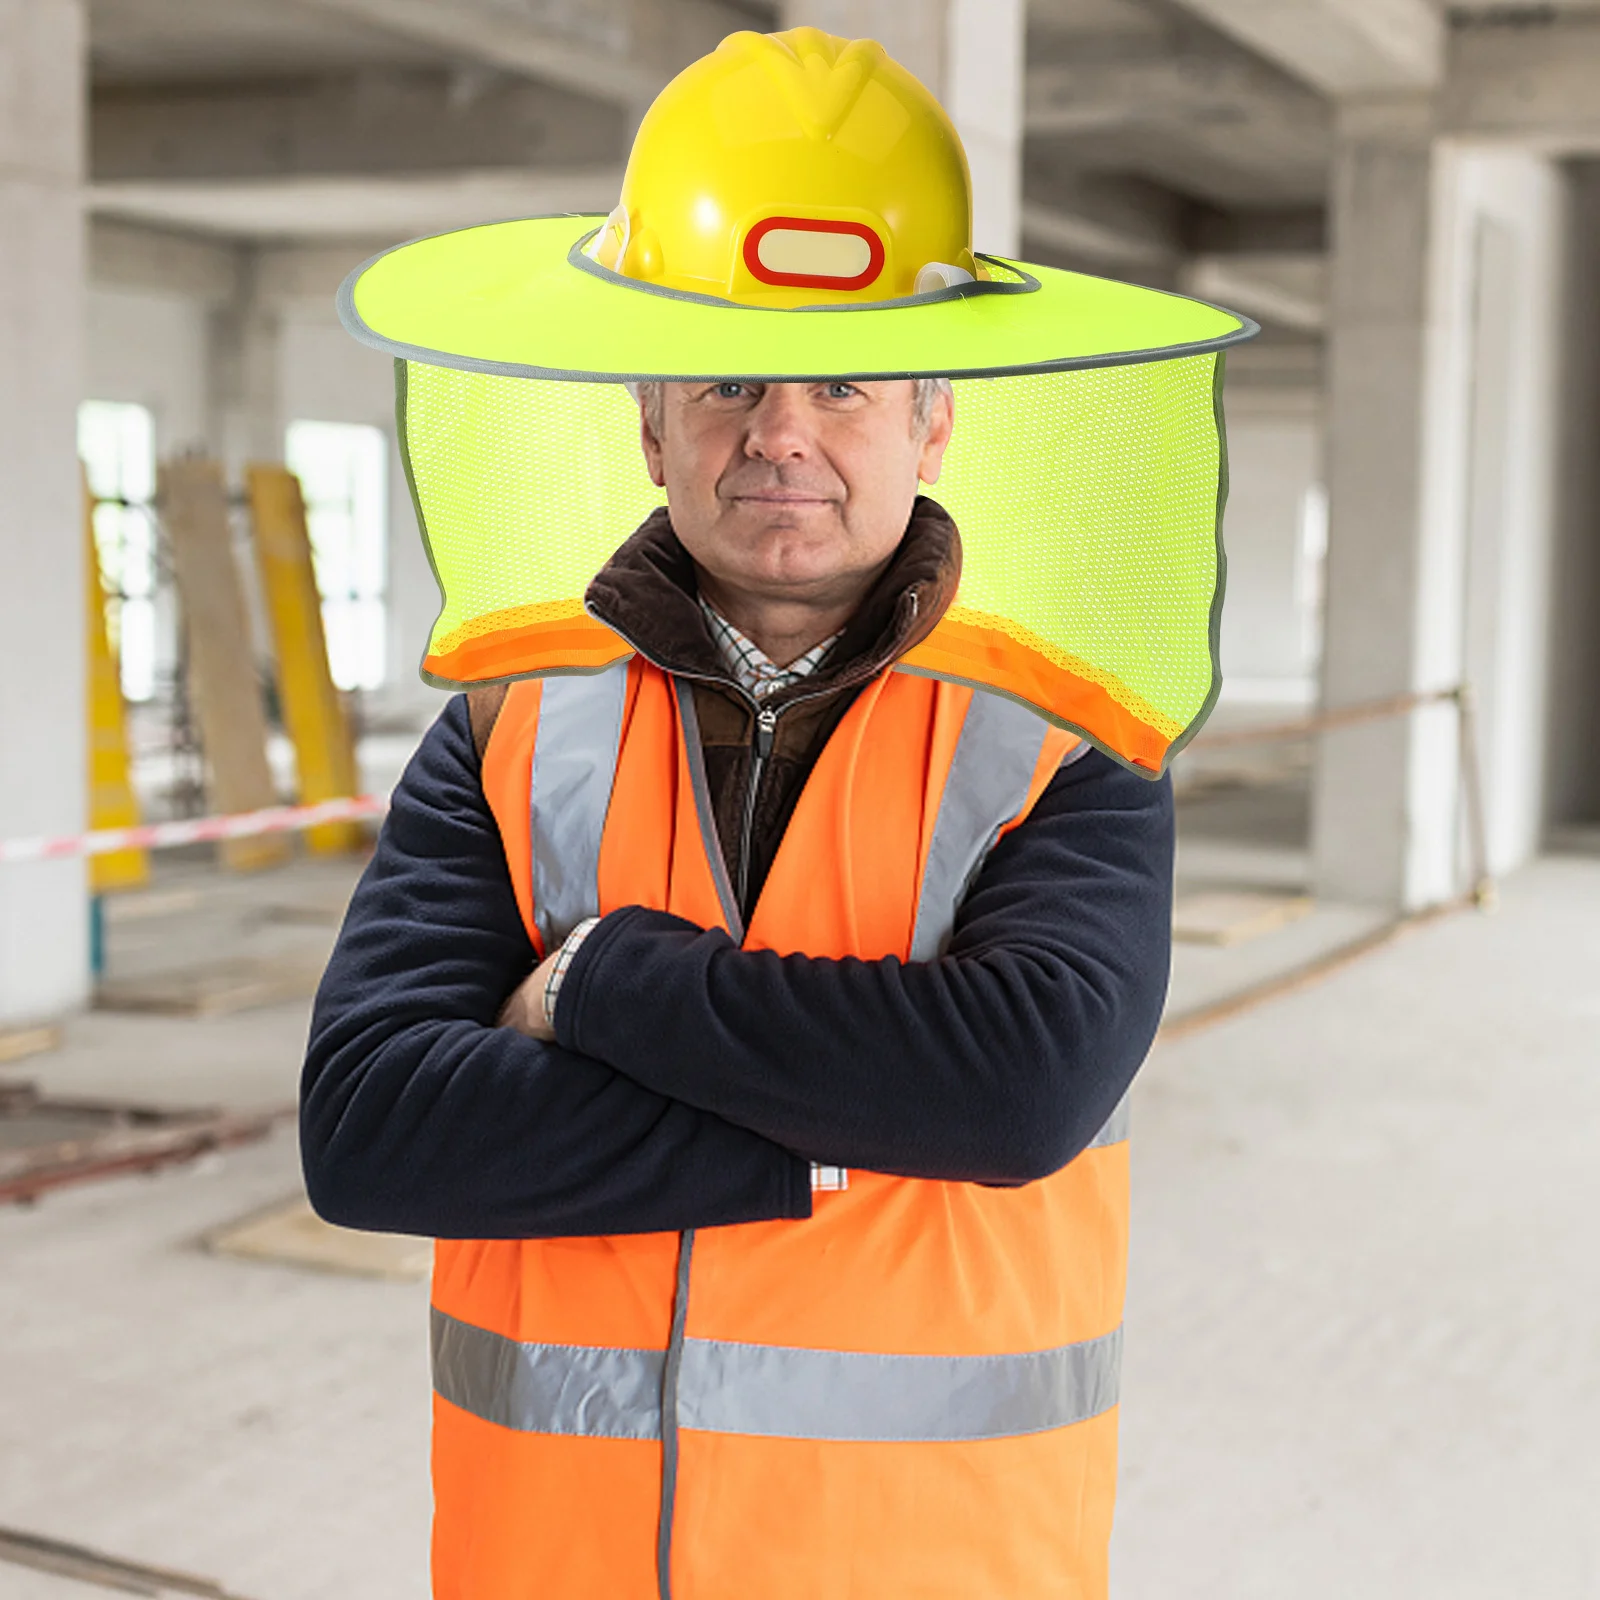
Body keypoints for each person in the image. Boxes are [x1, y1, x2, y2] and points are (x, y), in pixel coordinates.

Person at [307, 24, 1252, 1600]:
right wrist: (849, 1125)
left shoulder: (1068, 745)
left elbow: (1017, 1098)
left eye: (842, 381)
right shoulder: (506, 725)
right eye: (730, 376)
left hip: (932, 1568)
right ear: (650, 417)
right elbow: (372, 1132)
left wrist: (604, 983)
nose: (781, 431)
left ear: (933, 418)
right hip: (557, 1567)